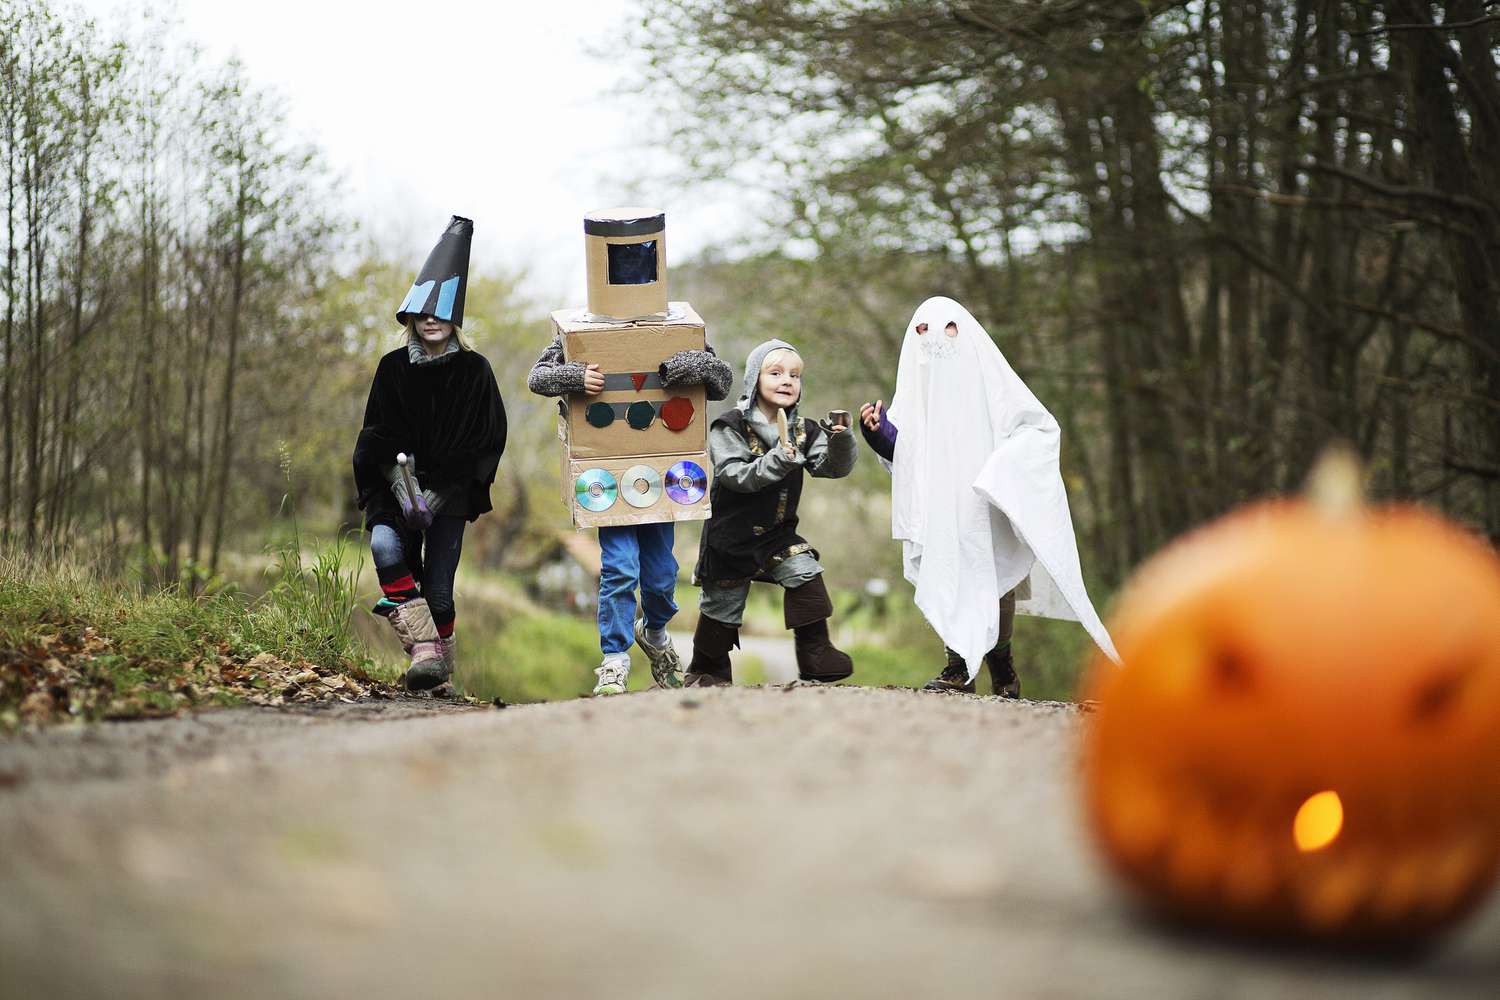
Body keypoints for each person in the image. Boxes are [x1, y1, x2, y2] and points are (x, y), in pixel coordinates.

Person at [858, 296, 1117, 695]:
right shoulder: (916, 394)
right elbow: (905, 451)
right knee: (951, 575)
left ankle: (1002, 664)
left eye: (946, 327)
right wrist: (878, 433)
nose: (933, 340)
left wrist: (1002, 471)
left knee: (995, 582)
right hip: (943, 508)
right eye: (922, 330)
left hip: (986, 499)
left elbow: (1039, 429)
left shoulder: (993, 380)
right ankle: (959, 667)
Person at [528, 325, 733, 696]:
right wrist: (575, 375)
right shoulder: (584, 331)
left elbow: (720, 380)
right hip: (608, 478)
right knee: (620, 568)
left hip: (663, 476)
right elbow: (538, 377)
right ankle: (613, 661)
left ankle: (654, 633)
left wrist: (682, 367)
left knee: (661, 575)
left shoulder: (676, 329)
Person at [352, 216, 507, 692]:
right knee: (385, 547)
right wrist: (400, 485)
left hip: (453, 491)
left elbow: (488, 436)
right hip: (393, 485)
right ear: (411, 318)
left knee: (439, 587)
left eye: (439, 313)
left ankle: (440, 676)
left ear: (454, 317)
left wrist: (446, 489)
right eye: (422, 314)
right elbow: (375, 431)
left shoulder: (476, 371)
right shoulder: (392, 368)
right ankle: (423, 650)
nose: (431, 320)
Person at [688, 340, 857, 686]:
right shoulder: (729, 426)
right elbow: (734, 476)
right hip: (730, 536)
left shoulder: (806, 430)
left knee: (805, 570)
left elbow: (830, 468)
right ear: (754, 379)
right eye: (776, 372)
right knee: (723, 607)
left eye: (794, 375)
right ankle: (707, 668)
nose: (787, 381)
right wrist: (776, 460)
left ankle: (816, 655)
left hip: (777, 533)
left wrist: (840, 439)